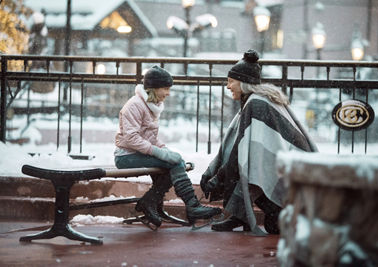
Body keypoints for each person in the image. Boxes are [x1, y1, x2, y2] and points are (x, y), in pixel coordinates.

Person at [200, 50, 318, 236]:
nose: (228, 86)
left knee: (249, 167)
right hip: (290, 165)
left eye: (231, 81)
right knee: (247, 165)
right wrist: (218, 172)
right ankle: (242, 216)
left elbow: (241, 150)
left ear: (244, 83)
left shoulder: (257, 103)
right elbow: (241, 146)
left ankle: (269, 212)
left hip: (286, 168)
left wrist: (218, 176)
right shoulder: (257, 100)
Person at [114, 65, 221, 229]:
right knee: (173, 163)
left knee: (174, 162)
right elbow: (131, 138)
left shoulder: (150, 106)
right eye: (165, 88)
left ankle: (150, 202)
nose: (168, 93)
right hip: (126, 156)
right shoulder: (135, 105)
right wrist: (161, 154)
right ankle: (191, 206)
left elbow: (151, 138)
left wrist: (167, 151)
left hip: (137, 153)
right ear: (153, 88)